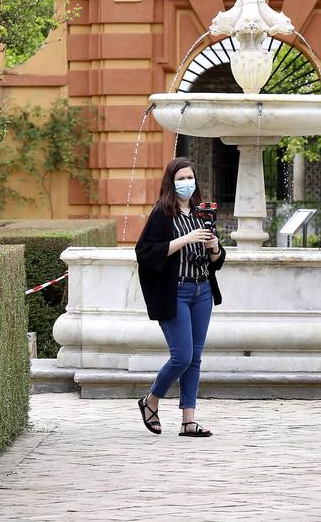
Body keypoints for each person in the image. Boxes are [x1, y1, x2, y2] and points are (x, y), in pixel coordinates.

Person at [134, 157, 226, 437]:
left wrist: (215, 247)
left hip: (203, 291)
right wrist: (185, 239)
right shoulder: (163, 214)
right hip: (176, 292)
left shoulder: (202, 213)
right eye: (181, 179)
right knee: (182, 356)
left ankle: (188, 420)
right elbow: (145, 252)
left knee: (195, 358)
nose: (187, 183)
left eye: (190, 178)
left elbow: (217, 260)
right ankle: (151, 399)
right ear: (171, 183)